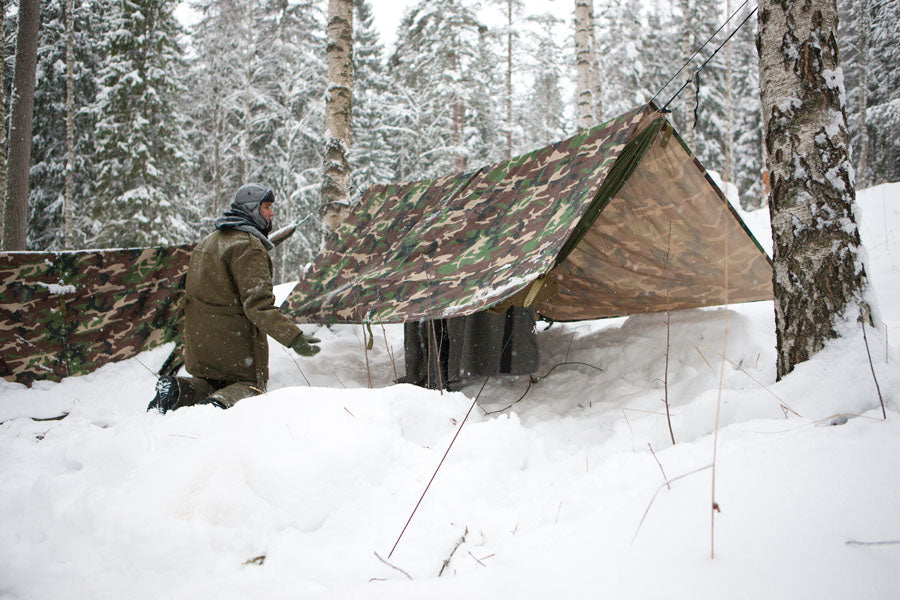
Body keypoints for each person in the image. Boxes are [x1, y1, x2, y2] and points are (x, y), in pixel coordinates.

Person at [147, 184, 320, 413]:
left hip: (200, 341)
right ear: (251, 209)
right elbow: (258, 306)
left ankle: (178, 389)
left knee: (212, 382)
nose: (271, 213)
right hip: (233, 343)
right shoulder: (249, 248)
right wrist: (294, 338)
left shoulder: (210, 241)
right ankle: (218, 405)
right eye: (266, 207)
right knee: (251, 387)